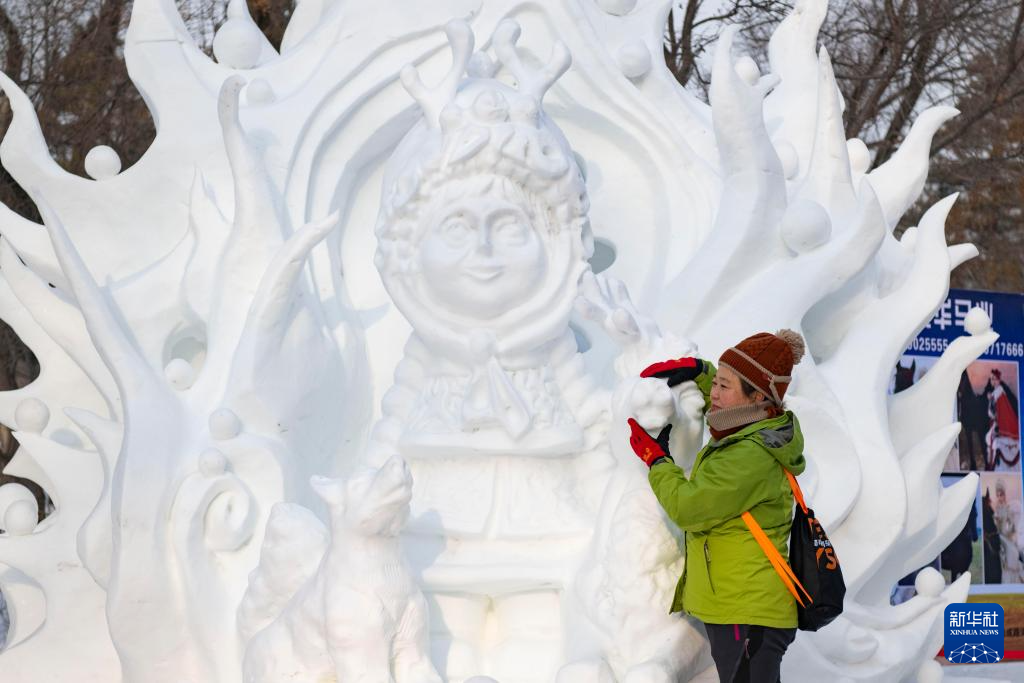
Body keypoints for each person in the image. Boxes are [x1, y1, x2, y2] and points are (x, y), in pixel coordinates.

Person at [628, 330, 808, 683]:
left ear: (757, 397)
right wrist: (700, 371)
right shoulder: (756, 425)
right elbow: (736, 394)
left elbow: (689, 507)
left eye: (723, 387)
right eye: (717, 384)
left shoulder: (749, 455)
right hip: (744, 608)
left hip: (748, 614)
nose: (714, 395)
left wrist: (657, 460)